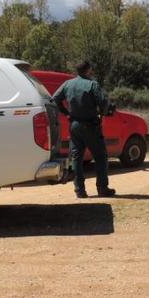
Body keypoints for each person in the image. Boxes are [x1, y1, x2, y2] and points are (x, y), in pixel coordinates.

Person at [52, 60, 116, 199]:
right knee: (100, 156)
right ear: (89, 70)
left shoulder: (68, 84)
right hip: (91, 125)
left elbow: (55, 99)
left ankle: (79, 190)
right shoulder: (92, 84)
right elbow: (104, 102)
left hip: (74, 125)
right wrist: (102, 114)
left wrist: (67, 113)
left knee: (77, 158)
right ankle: (102, 188)